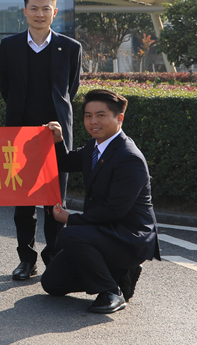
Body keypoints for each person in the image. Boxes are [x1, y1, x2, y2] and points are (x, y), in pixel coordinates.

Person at [43, 89, 159, 313]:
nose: (93, 121)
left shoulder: (129, 158)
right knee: (52, 283)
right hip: (102, 231)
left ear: (119, 118)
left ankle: (111, 292)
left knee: (69, 234)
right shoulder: (94, 147)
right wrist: (57, 140)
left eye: (101, 115)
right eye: (88, 116)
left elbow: (114, 210)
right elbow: (66, 163)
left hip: (128, 237)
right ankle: (119, 274)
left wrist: (70, 218)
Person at [0, 0, 83, 281]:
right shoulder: (9, 46)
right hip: (20, 134)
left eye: (46, 9)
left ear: (54, 13)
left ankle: (54, 258)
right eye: (34, 8)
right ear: (25, 12)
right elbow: (6, 88)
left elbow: (70, 90)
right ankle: (26, 258)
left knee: (54, 201)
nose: (40, 14)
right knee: (23, 201)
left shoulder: (70, 47)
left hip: (56, 135)